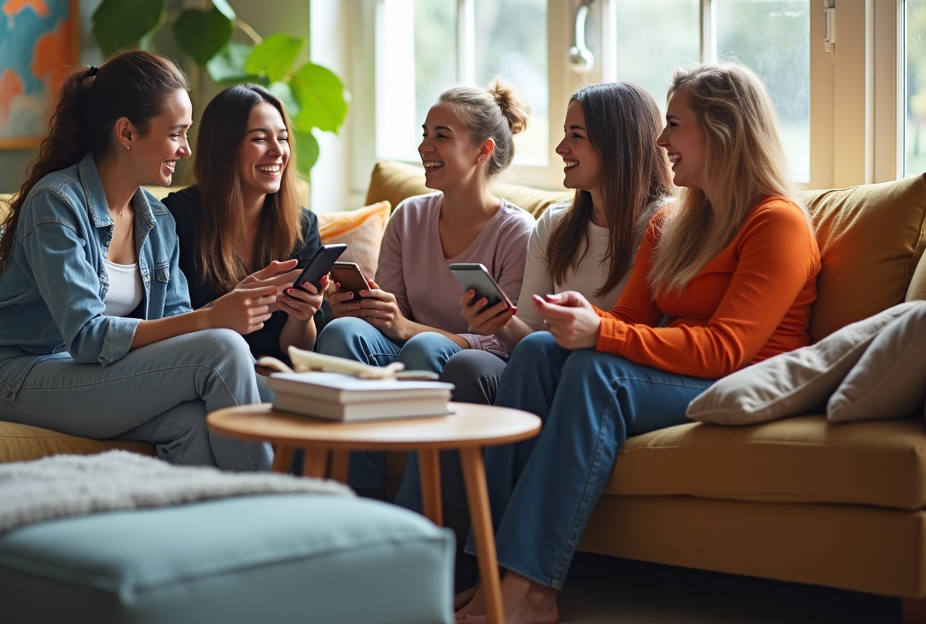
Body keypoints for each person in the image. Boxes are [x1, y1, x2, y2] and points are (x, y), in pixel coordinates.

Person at [454, 63, 822, 624]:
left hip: (739, 380)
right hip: (678, 369)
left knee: (594, 373)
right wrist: (587, 318)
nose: (661, 140)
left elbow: (727, 349)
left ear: (722, 130)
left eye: (675, 124)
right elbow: (630, 318)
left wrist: (603, 333)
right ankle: (489, 575)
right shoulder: (674, 222)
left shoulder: (778, 224)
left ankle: (531, 591)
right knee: (535, 352)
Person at [0, 51, 278, 473]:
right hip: (13, 372)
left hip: (83, 372)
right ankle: (274, 505)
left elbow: (177, 326)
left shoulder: (158, 219)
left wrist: (230, 318)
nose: (186, 149)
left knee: (195, 423)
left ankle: (195, 535)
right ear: (126, 132)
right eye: (177, 133)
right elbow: (87, 336)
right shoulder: (56, 203)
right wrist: (214, 318)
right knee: (222, 347)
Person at [316, 79, 537, 495]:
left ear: (482, 151)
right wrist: (359, 308)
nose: (424, 147)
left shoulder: (517, 231)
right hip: (406, 350)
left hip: (463, 365)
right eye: (424, 134)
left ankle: (414, 512)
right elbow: (391, 314)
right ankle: (356, 498)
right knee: (340, 333)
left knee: (426, 347)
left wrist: (407, 329)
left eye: (441, 136)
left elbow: (504, 343)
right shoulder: (409, 215)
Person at [447, 82, 673, 405]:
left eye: (576, 136)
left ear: (616, 143)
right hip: (542, 365)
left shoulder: (662, 226)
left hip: (603, 372)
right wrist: (501, 322)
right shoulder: (554, 225)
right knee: (466, 365)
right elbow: (528, 339)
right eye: (565, 134)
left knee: (542, 354)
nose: (561, 148)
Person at [162, 85, 325, 364]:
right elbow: (165, 326)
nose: (277, 151)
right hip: (201, 369)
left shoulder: (303, 225)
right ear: (225, 148)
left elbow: (299, 352)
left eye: (283, 138)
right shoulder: (177, 217)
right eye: (260, 139)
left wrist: (303, 316)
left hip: (276, 374)